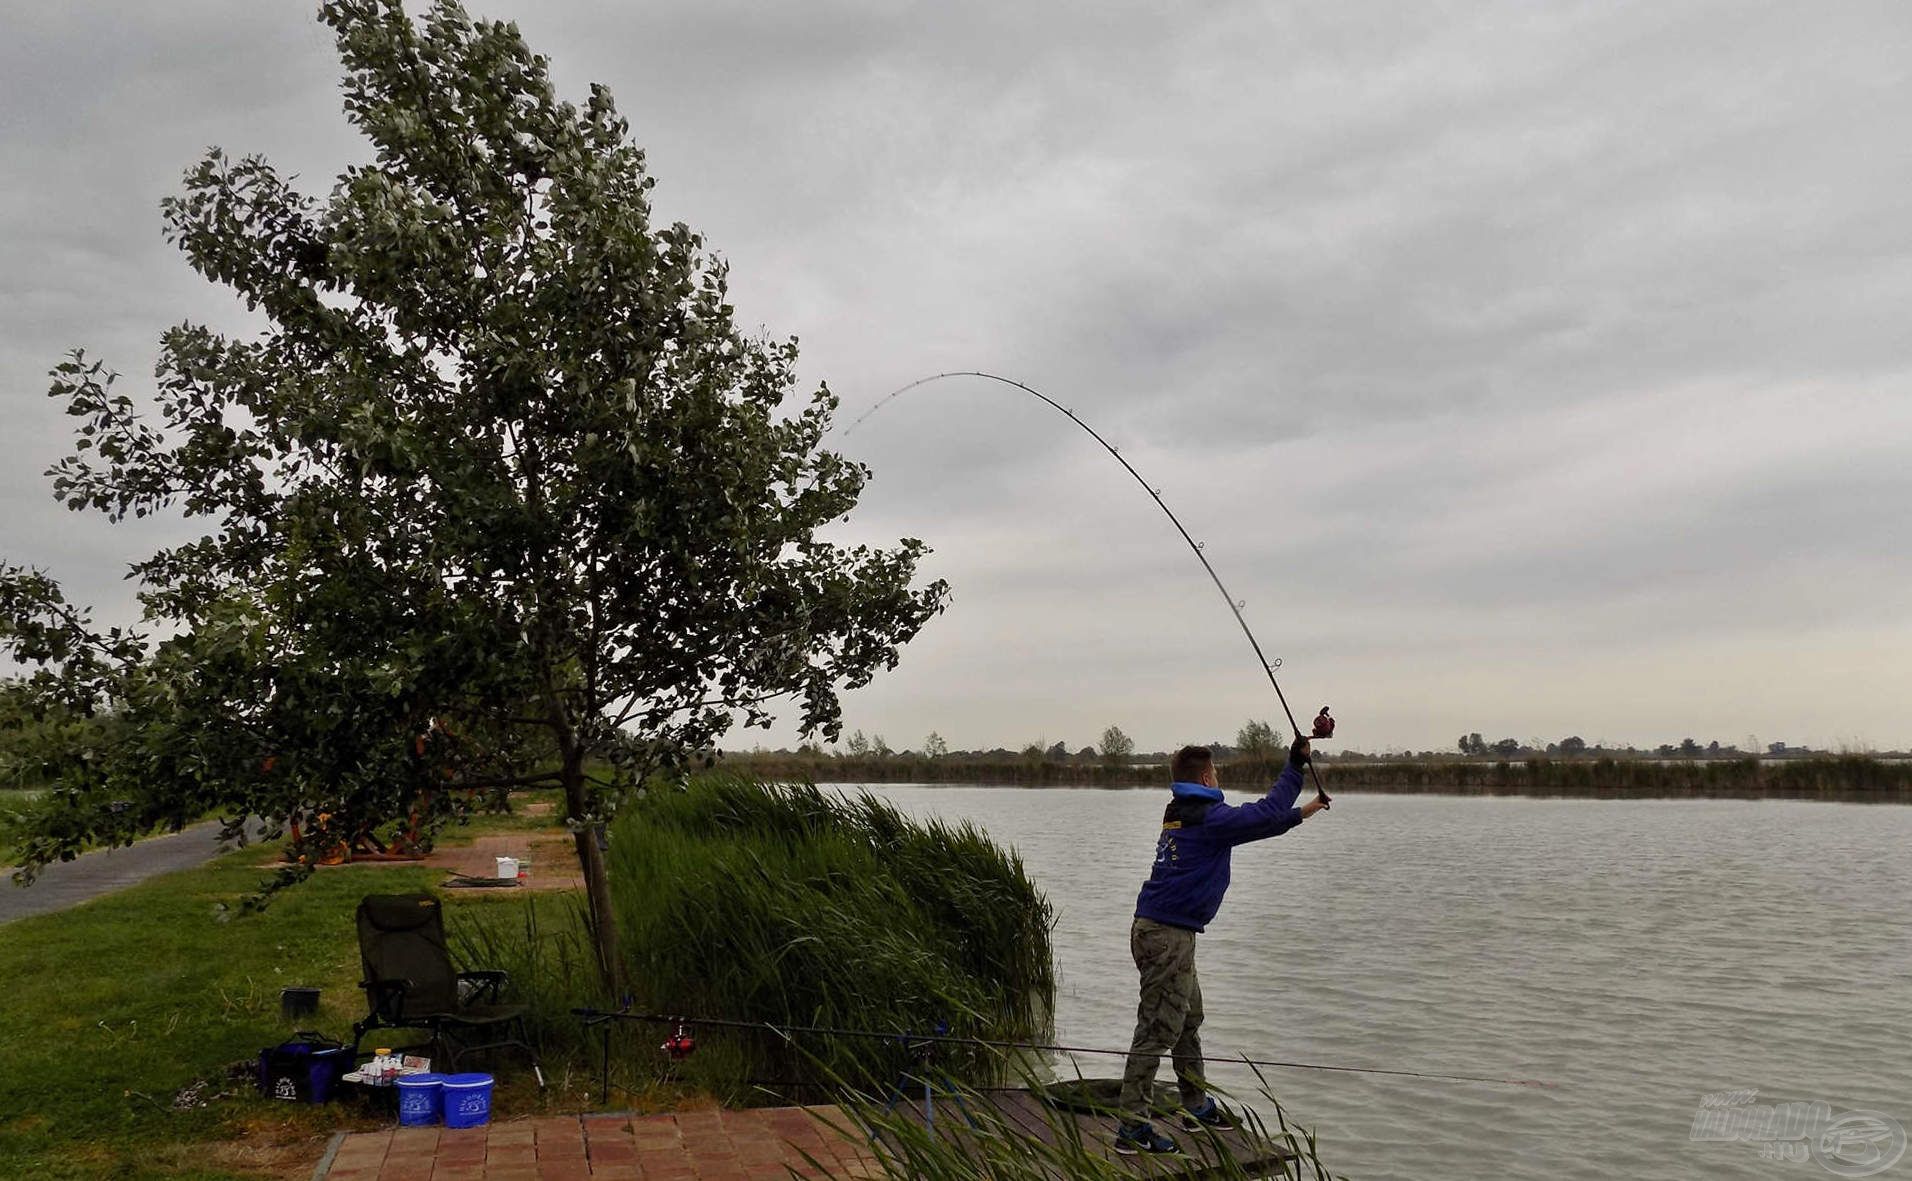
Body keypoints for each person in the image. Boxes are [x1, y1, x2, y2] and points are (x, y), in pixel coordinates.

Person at [1114, 734, 1330, 1155]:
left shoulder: (1182, 812)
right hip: (1166, 938)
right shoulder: (1207, 818)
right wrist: (1295, 765)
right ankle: (1132, 1128)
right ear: (1208, 776)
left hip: (1162, 932)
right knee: (1157, 1031)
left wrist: (1303, 812)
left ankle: (1194, 1105)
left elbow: (1259, 823)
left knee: (1187, 1019)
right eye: (1217, 773)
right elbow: (1263, 813)